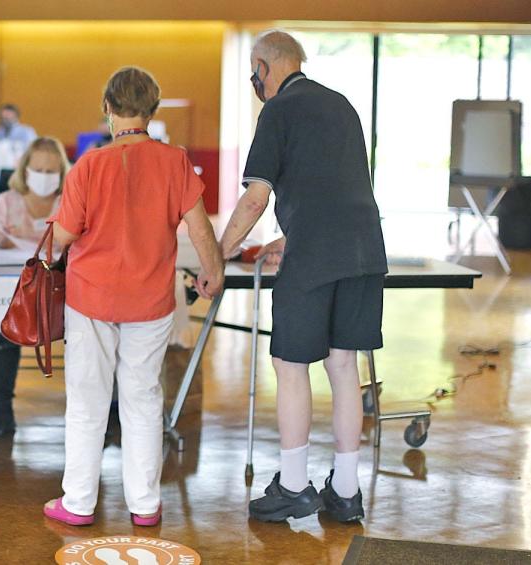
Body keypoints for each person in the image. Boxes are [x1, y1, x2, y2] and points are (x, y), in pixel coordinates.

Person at [43, 66, 224, 527]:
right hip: (150, 301)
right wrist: (213, 272)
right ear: (152, 110)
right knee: (143, 398)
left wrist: (48, 242)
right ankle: (145, 505)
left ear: (107, 108)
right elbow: (199, 227)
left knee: (87, 400)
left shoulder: (89, 165)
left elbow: (61, 237)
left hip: (92, 301)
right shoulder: (175, 161)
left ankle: (79, 503)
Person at [219, 31, 387, 523]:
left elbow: (256, 198)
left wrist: (218, 256)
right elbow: (337, 189)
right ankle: (346, 492)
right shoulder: (342, 106)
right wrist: (287, 237)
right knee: (343, 366)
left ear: (263, 68)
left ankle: (293, 486)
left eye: (255, 74)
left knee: (291, 366)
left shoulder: (278, 111)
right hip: (363, 251)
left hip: (315, 257)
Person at [0, 136, 71, 437]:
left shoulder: (68, 201)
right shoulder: (7, 202)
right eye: (38, 169)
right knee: (2, 330)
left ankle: (105, 416)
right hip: (14, 289)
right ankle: (0, 412)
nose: (44, 177)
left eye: (50, 171)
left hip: (61, 290)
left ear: (62, 172)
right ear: (25, 170)